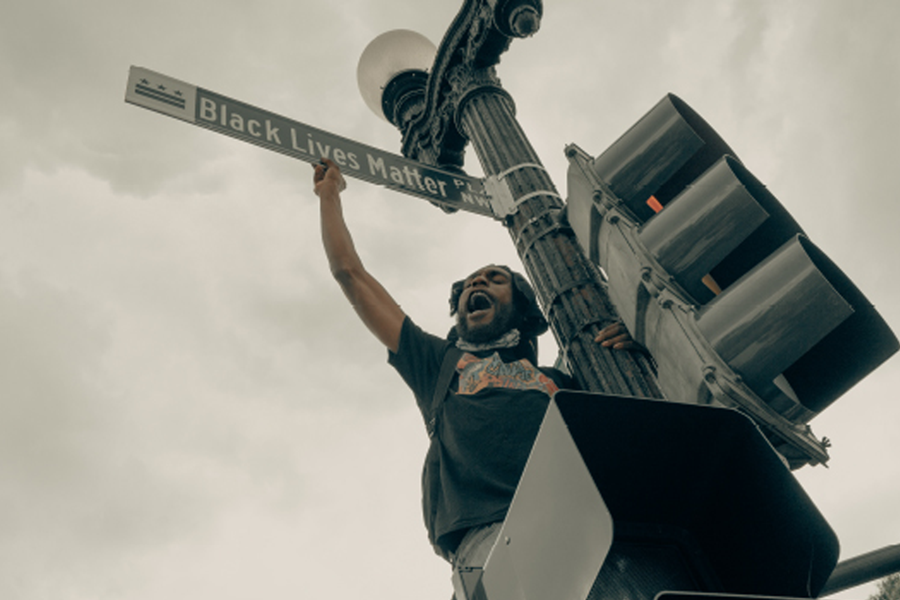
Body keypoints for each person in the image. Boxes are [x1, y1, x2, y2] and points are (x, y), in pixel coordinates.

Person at [313, 158, 639, 596]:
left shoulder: (562, 380)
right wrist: (329, 195)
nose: (476, 283)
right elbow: (349, 273)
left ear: (521, 307)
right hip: (488, 538)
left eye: (494, 278)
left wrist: (636, 344)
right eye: (469, 283)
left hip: (587, 530)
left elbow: (632, 435)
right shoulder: (436, 363)